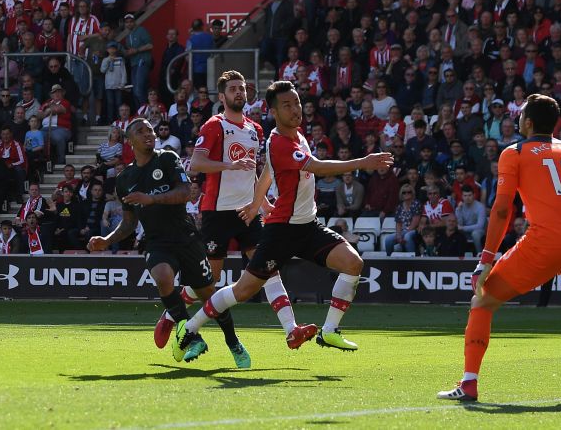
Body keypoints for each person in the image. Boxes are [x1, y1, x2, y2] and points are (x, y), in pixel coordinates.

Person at [437, 94, 561, 403]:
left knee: (482, 301)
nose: (517, 120)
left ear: (528, 123)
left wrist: (486, 259)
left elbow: (502, 210)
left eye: (520, 116)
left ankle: (469, 384)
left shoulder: (514, 152)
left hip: (545, 241)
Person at [179, 81, 393, 358]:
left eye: (297, 103)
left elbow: (267, 172)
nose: (295, 110)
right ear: (273, 112)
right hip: (281, 231)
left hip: (308, 226)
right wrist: (364, 161)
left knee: (353, 263)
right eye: (287, 105)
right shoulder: (279, 141)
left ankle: (329, 331)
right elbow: (316, 166)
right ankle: (192, 326)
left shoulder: (297, 136)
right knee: (243, 290)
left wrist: (256, 204)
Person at [155, 70, 313, 351]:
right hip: (217, 212)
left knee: (269, 269)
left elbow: (254, 174)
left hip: (247, 213)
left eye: (242, 88)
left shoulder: (256, 129)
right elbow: (196, 165)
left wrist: (262, 204)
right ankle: (170, 315)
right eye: (233, 89)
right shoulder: (214, 126)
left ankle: (291, 329)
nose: (239, 92)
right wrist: (229, 165)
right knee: (210, 280)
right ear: (223, 96)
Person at [87, 118, 251, 367]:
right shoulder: (125, 179)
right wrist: (107, 240)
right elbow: (129, 222)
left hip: (186, 238)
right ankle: (192, 337)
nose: (148, 135)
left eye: (150, 130)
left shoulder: (167, 158)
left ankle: (233, 342)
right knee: (163, 277)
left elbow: (185, 192)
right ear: (130, 142)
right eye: (141, 132)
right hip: (156, 241)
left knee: (208, 294)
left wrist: (151, 199)